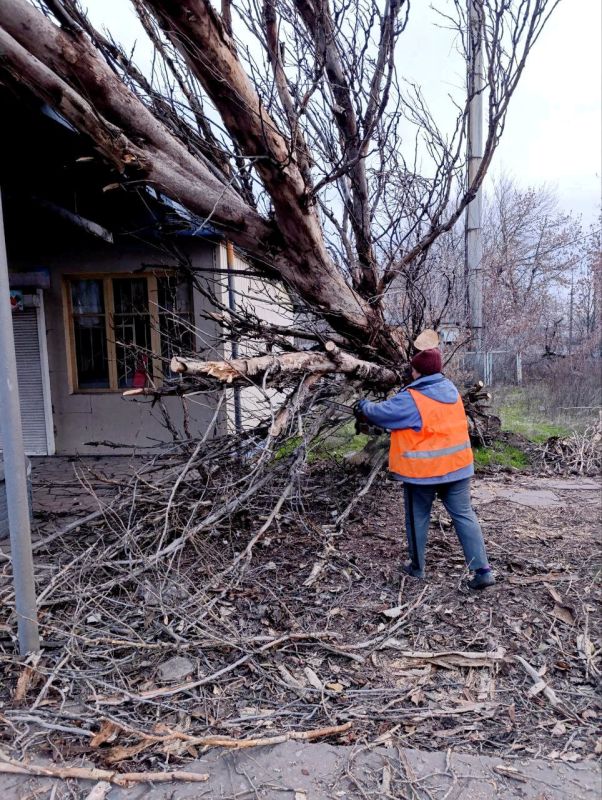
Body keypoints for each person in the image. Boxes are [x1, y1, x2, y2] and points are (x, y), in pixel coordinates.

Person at [356, 347, 495, 590]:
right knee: (464, 516)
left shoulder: (412, 399)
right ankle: (483, 571)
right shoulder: (451, 390)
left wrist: (363, 406)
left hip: (423, 474)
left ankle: (417, 568)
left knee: (417, 518)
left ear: (417, 371)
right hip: (458, 467)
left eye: (412, 369)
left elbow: (381, 414)